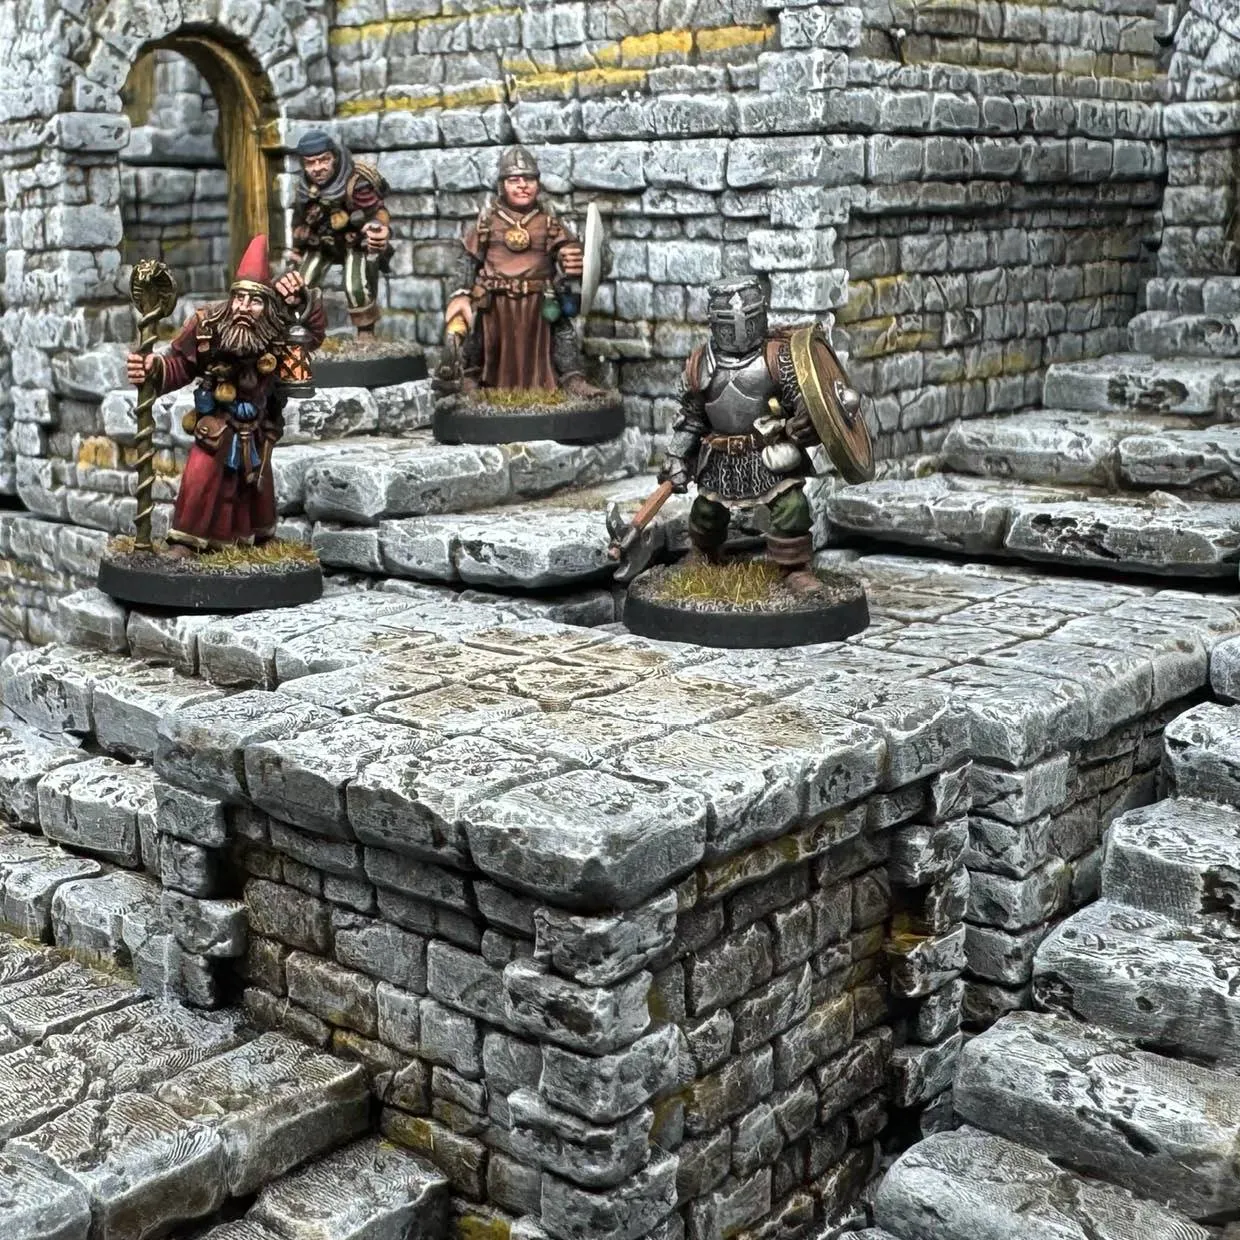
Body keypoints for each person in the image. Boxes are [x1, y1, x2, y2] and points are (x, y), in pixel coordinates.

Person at [125, 235, 325, 556]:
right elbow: (180, 364)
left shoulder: (277, 328)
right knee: (201, 477)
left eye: (254, 300)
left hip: (258, 425)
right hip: (217, 421)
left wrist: (303, 298)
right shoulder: (207, 326)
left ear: (267, 305)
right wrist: (153, 368)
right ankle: (186, 542)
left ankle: (256, 539)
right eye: (239, 298)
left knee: (255, 488)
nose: (244, 307)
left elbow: (312, 333)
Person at [659, 278, 822, 592]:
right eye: (728, 322)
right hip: (720, 455)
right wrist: (677, 455)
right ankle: (705, 555)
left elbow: (803, 400)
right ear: (714, 321)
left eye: (748, 319)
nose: (738, 329)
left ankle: (794, 569)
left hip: (767, 451)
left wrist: (806, 420)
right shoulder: (700, 363)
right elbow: (692, 419)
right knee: (706, 512)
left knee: (792, 506)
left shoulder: (778, 357)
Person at [446, 145, 601, 397]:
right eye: (514, 180)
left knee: (562, 333)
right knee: (480, 339)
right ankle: (471, 377)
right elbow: (468, 260)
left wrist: (573, 257)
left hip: (540, 301)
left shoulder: (548, 223)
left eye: (529, 179)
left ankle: (572, 379)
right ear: (502, 185)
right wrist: (461, 293)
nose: (522, 186)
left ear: (538, 184)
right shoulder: (487, 223)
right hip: (494, 303)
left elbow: (574, 253)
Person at [289, 130, 392, 333]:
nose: (317, 168)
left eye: (323, 160)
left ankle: (365, 332)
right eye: (310, 163)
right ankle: (304, 330)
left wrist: (378, 229)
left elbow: (377, 212)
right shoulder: (304, 187)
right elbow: (300, 218)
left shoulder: (356, 181)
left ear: (334, 158)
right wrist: (297, 247)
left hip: (355, 243)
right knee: (300, 285)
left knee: (355, 286)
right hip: (320, 243)